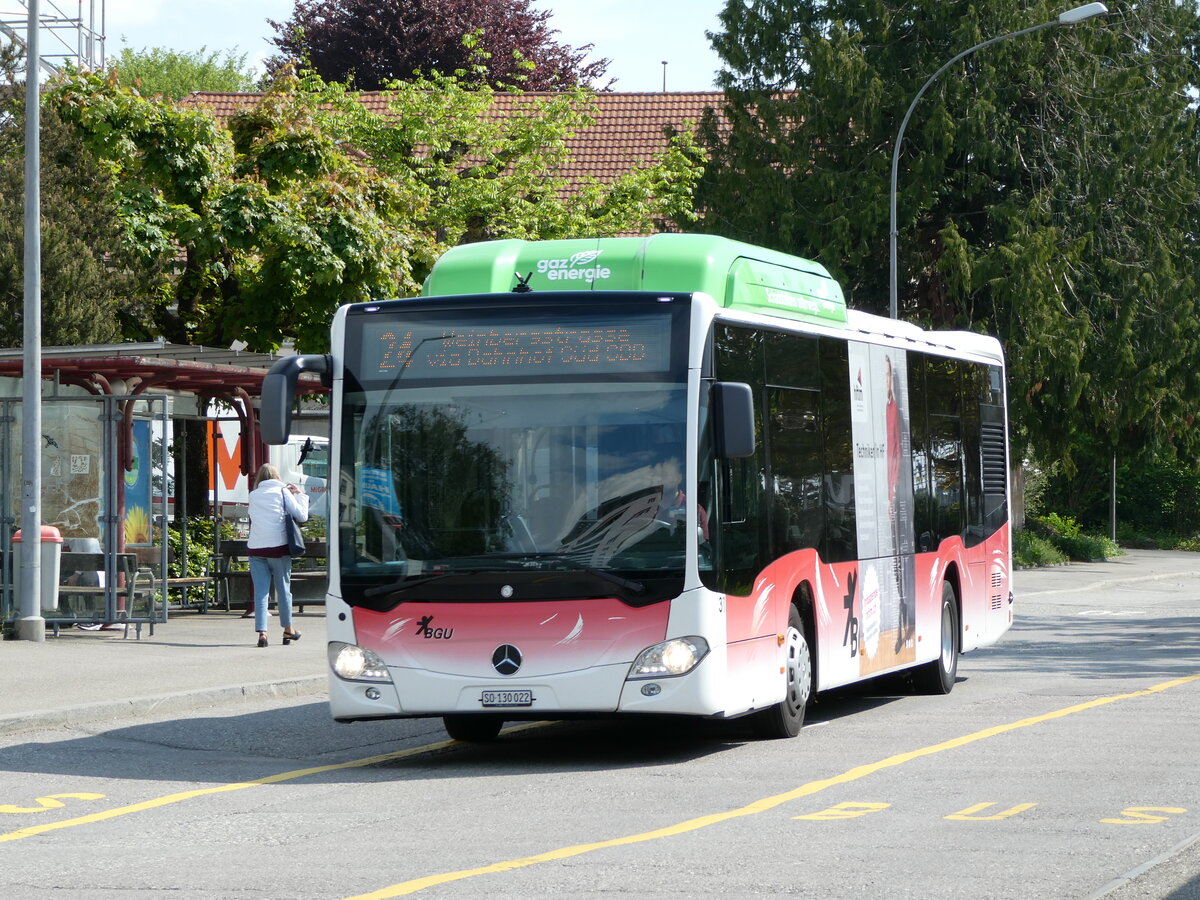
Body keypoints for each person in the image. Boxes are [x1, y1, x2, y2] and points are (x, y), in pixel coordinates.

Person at [247, 463, 309, 647]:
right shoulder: (283, 491)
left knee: (261, 592)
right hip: (278, 547)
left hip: (256, 548)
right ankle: (288, 629)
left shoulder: (253, 494)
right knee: (283, 590)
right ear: (276, 476)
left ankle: (262, 633)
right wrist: (299, 494)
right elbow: (302, 515)